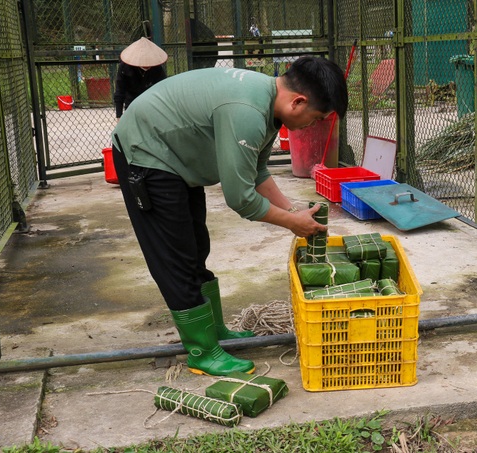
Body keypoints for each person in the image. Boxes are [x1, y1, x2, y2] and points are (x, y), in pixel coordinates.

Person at [111, 56, 348, 377]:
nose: (313, 125)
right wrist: (292, 223)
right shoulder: (247, 112)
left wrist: (291, 207)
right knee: (175, 257)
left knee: (196, 246)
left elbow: (257, 171)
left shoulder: (267, 103)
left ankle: (215, 330)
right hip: (146, 152)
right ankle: (203, 352)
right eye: (317, 118)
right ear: (299, 102)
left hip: (176, 156)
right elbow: (240, 198)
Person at [113, 37, 168, 120]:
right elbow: (119, 92)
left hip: (152, 106)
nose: (147, 64)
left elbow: (164, 90)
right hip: (131, 105)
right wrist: (119, 116)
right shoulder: (125, 67)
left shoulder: (157, 68)